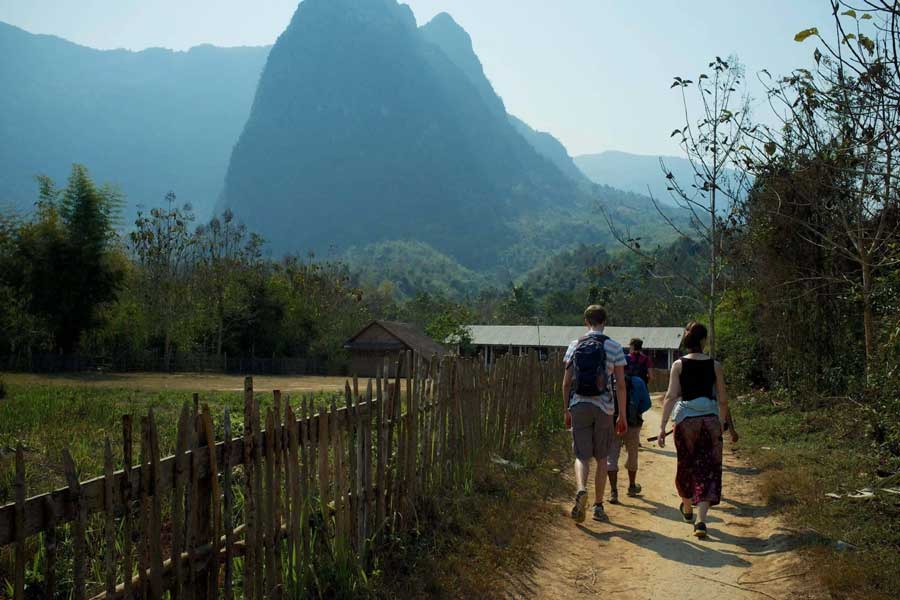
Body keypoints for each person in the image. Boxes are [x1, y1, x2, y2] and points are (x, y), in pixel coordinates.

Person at [657, 322, 730, 539]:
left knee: (686, 465)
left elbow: (670, 396)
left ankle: (687, 508)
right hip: (709, 420)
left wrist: (662, 427)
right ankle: (701, 521)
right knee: (708, 469)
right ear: (704, 340)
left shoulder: (678, 365)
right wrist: (722, 423)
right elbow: (723, 399)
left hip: (685, 421)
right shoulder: (715, 365)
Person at [563, 305, 628, 523]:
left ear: (585, 321)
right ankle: (598, 506)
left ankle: (581, 489)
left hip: (579, 404)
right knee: (601, 457)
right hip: (604, 407)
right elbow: (620, 385)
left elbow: (566, 383)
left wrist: (566, 409)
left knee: (581, 455)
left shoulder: (575, 345)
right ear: (605, 321)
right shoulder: (615, 347)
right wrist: (622, 415)